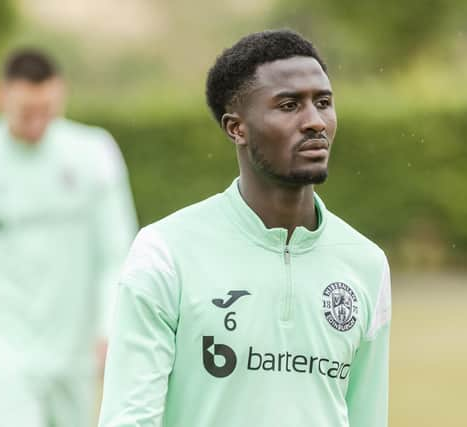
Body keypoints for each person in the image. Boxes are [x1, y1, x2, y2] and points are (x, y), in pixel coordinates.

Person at [98, 29, 391, 427]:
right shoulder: (166, 251)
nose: (315, 122)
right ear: (236, 128)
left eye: (323, 103)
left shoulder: (366, 263)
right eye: (289, 105)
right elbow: (129, 418)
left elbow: (367, 416)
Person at [0, 49, 138, 427]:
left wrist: (109, 326)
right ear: (0, 96)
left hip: (75, 357)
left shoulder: (96, 155)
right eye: (26, 112)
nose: (38, 123)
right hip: (1, 358)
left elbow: (117, 254)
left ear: (62, 95)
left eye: (47, 110)